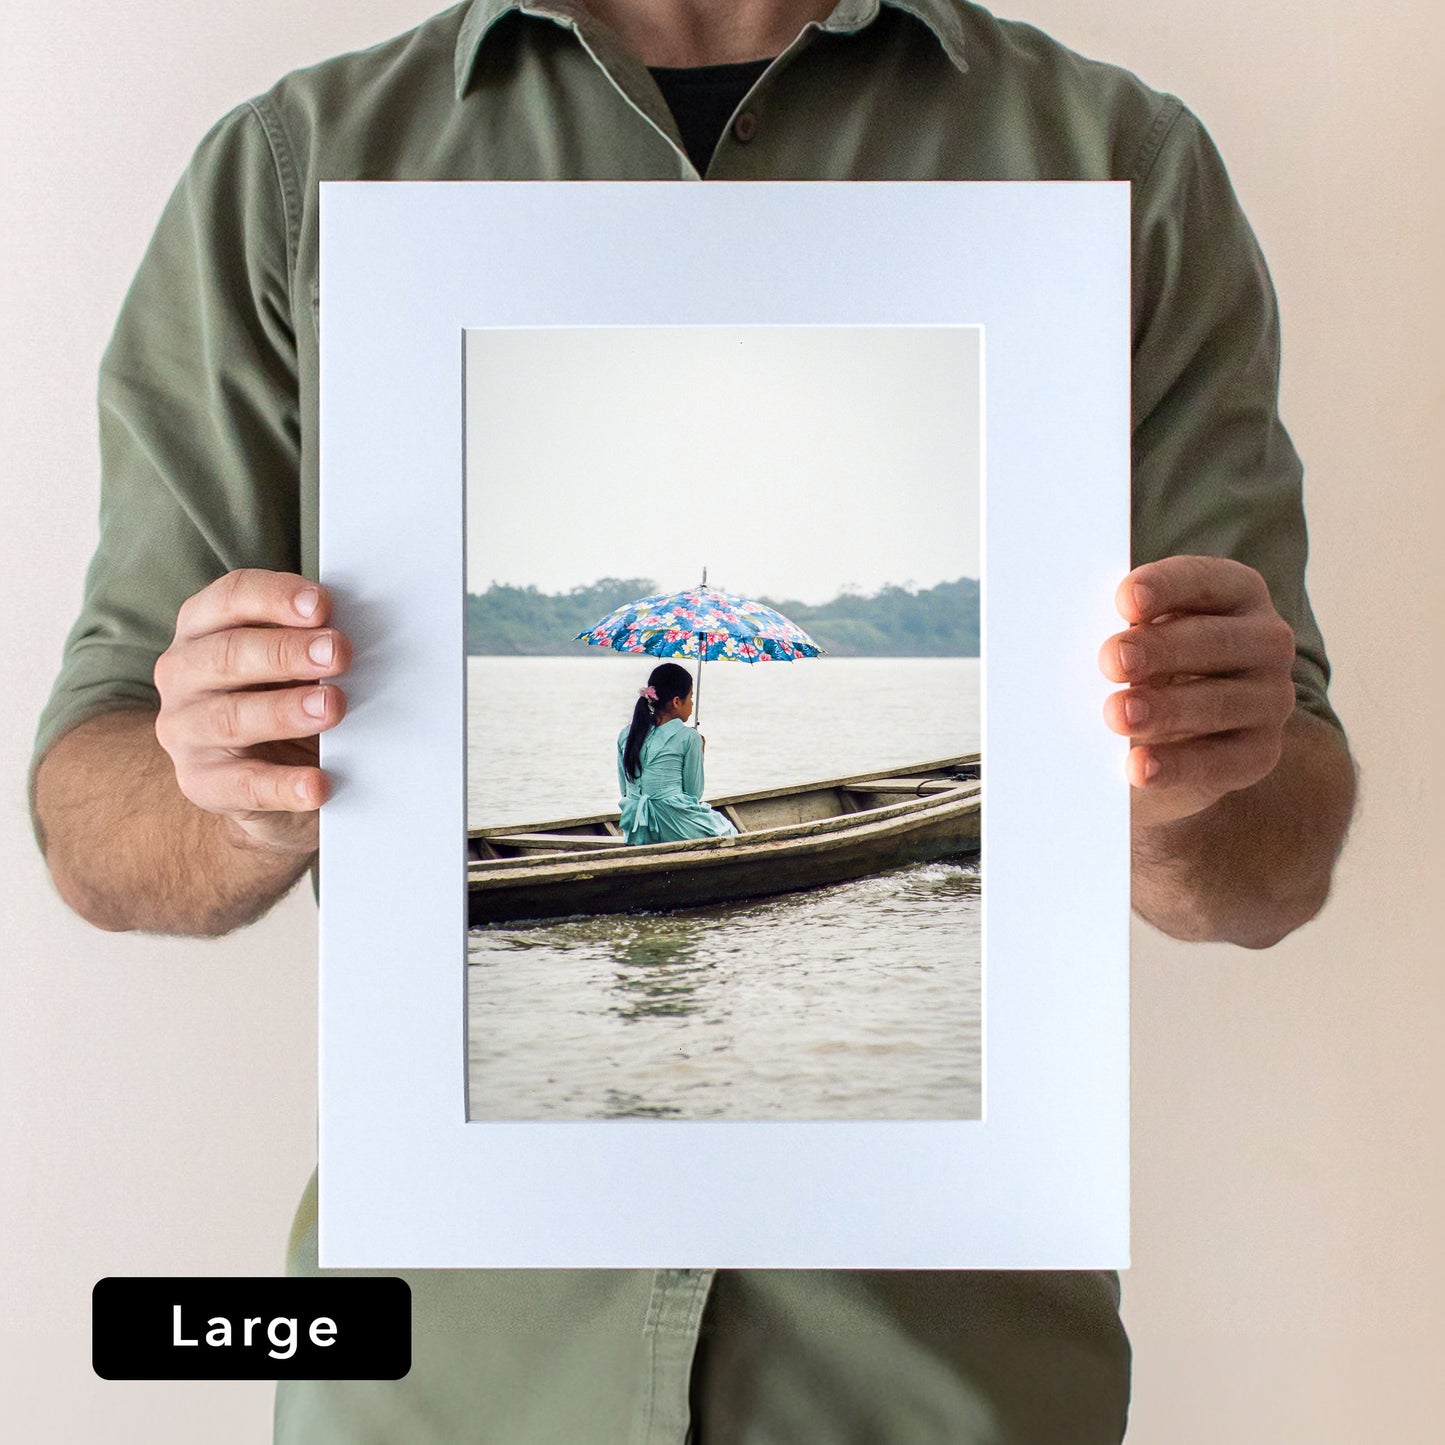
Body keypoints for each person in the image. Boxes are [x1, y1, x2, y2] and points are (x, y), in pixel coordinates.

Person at [29, 1, 1357, 1440]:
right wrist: (228, 792)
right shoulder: (293, 171)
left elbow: (1267, 870)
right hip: (440, 1396)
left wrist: (1186, 789)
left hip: (939, 1396)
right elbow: (93, 822)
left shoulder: (1116, 165)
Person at [618, 663, 738, 845]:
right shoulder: (690, 738)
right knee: (728, 831)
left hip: (637, 827)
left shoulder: (626, 734)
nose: (692, 703)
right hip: (674, 824)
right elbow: (693, 794)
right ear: (676, 702)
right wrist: (700, 752)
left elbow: (625, 791)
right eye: (690, 697)